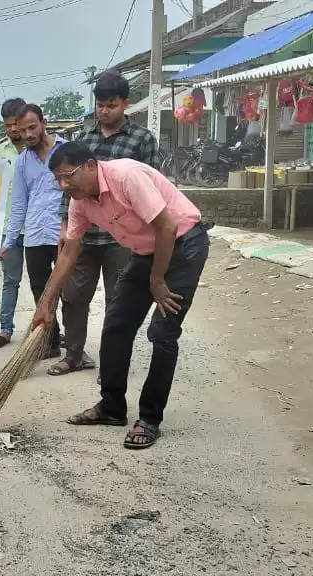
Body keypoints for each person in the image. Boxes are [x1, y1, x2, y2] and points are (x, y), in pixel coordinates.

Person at [34, 142, 208, 451]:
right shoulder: (80, 202)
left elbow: (166, 226)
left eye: (68, 176)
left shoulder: (126, 176)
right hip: (146, 252)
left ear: (90, 165)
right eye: (57, 179)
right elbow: (68, 255)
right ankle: (112, 407)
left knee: (162, 332)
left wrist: (157, 280)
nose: (64, 185)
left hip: (183, 246)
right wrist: (45, 303)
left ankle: (150, 419)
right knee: (116, 325)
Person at [50, 71, 161, 377]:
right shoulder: (83, 140)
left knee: (118, 301)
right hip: (85, 235)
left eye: (111, 105)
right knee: (72, 297)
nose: (104, 111)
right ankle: (74, 355)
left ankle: (111, 363)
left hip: (121, 239)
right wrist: (64, 225)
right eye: (100, 104)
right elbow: (68, 186)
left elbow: (151, 187)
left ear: (125, 103)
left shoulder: (142, 140)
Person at [2, 103, 65, 359]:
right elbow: (19, 203)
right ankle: (50, 343)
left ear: (43, 123)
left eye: (32, 127)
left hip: (64, 234)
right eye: (22, 129)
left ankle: (75, 348)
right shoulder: (22, 162)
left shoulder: (65, 150)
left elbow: (77, 193)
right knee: (41, 291)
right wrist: (9, 240)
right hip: (35, 236)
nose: (27, 134)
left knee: (70, 292)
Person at [0, 98, 27, 350]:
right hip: (8, 231)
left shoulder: (37, 151)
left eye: (16, 124)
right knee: (10, 281)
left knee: (44, 282)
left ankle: (49, 330)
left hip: (36, 230)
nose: (12, 129)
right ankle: (5, 328)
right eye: (7, 124)